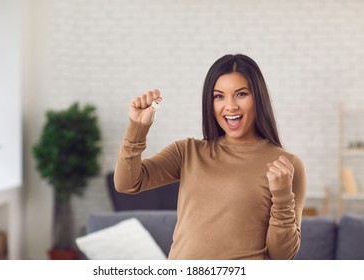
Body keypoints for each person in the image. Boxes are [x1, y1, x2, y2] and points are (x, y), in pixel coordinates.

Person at [114, 54, 306, 260]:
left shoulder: (286, 165)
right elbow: (127, 183)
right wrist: (137, 128)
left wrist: (283, 197)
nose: (230, 106)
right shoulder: (187, 152)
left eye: (241, 94)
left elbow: (282, 256)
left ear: (258, 98)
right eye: (219, 96)